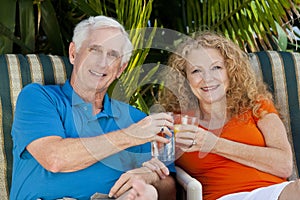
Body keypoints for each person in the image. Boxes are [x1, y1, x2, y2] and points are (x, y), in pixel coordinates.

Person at [10, 15, 176, 200]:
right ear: (73, 53)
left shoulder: (136, 119)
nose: (102, 62)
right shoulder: (39, 98)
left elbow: (170, 190)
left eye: (113, 55)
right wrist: (130, 135)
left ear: (120, 69)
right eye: (95, 50)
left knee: (147, 192)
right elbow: (55, 159)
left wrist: (151, 177)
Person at [146, 31, 300, 200]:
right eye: (196, 71)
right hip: (225, 196)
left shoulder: (256, 105)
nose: (207, 78)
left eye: (216, 68)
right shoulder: (176, 122)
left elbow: (284, 165)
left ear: (230, 72)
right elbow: (161, 174)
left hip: (277, 192)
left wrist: (213, 144)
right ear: (185, 78)